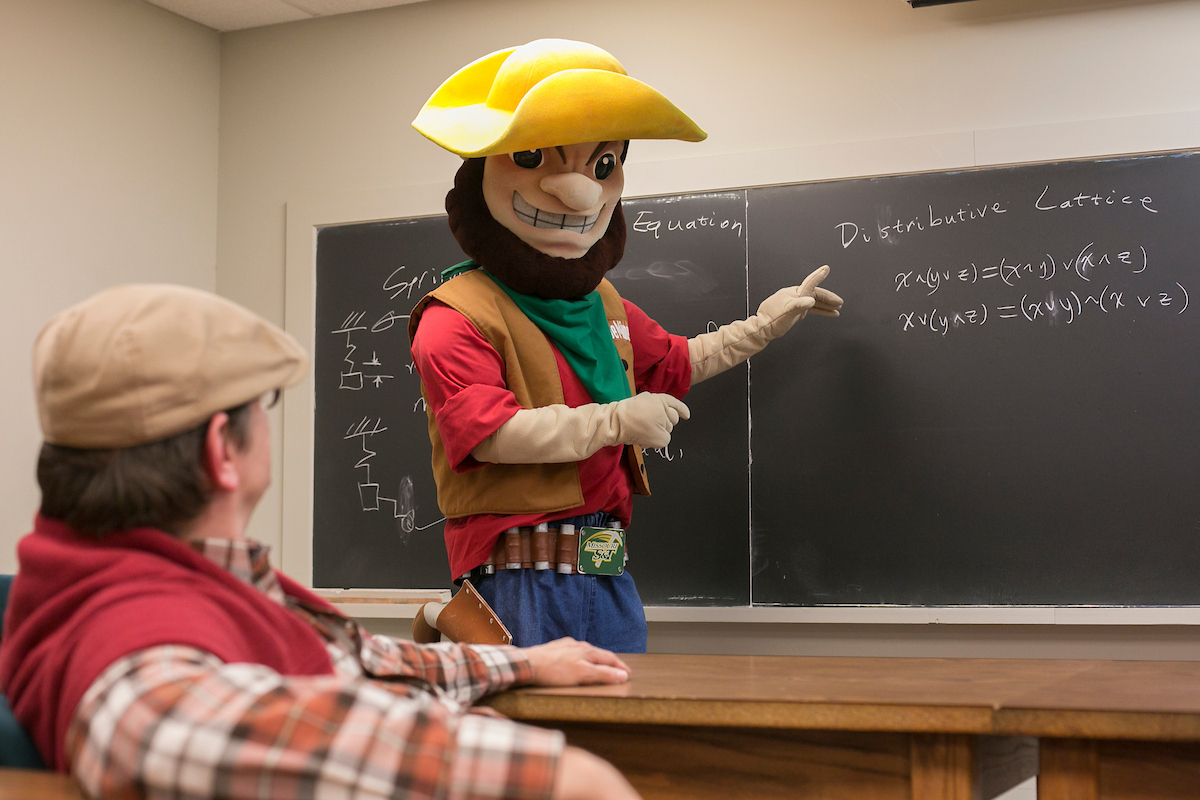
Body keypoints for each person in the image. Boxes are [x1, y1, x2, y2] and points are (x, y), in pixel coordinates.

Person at [0, 283, 642, 800]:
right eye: (265, 404)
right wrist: (562, 779)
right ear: (223, 449)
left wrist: (527, 662)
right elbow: (149, 722)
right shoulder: (127, 628)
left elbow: (356, 658)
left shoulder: (156, 575)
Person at [408, 39, 843, 652]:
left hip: (607, 573)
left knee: (622, 739)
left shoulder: (602, 303)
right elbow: (488, 434)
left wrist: (762, 326)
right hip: (516, 581)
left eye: (602, 166)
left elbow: (678, 360)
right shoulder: (455, 316)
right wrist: (614, 420)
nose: (581, 194)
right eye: (535, 157)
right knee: (531, 742)